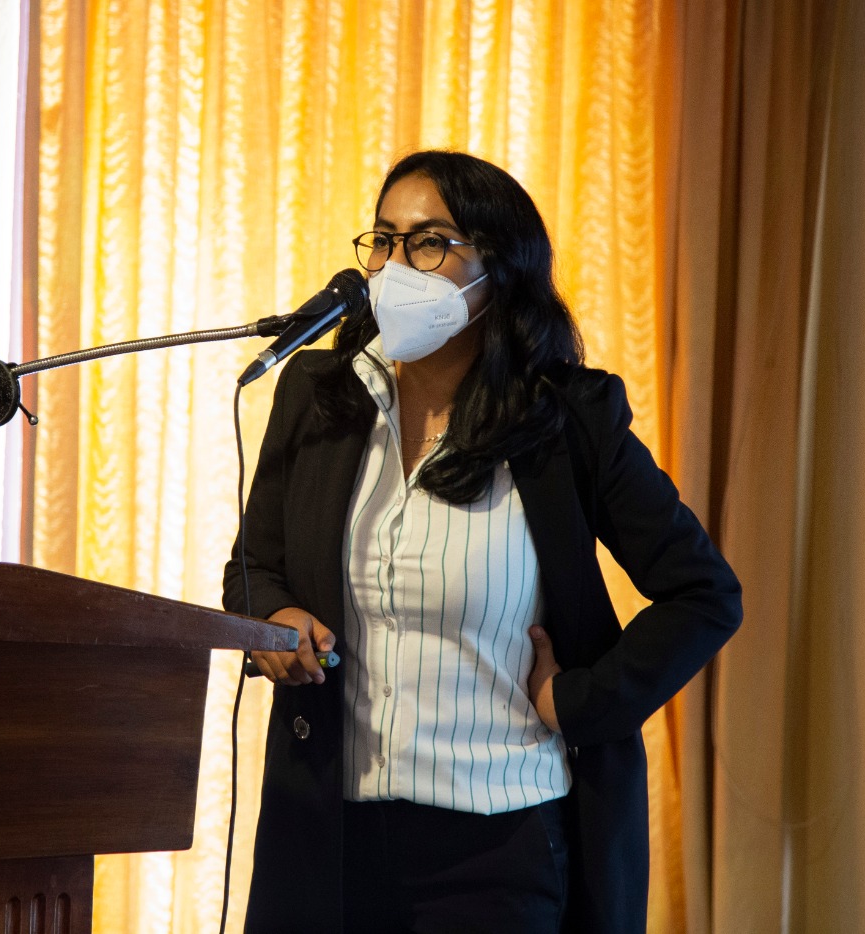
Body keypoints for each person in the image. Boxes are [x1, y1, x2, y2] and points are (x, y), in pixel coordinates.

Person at [222, 150, 742, 934]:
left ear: (498, 268)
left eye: (430, 242)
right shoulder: (317, 395)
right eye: (385, 240)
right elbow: (254, 566)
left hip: (499, 852)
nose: (397, 265)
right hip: (327, 838)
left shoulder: (568, 421)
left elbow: (705, 595)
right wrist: (275, 618)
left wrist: (579, 701)